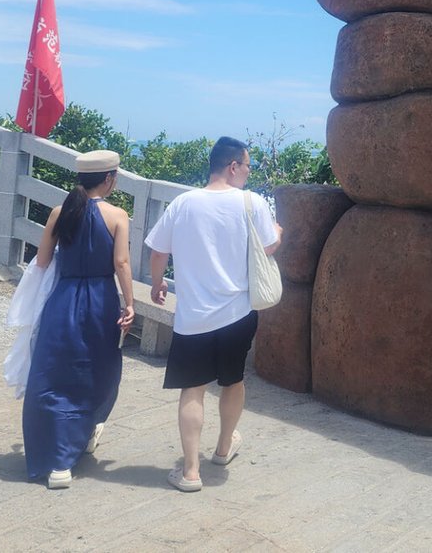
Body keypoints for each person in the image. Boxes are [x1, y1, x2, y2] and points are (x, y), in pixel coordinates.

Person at [145, 137, 280, 493]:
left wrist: (158, 284)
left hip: (194, 316)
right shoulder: (253, 202)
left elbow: (158, 252)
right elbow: (269, 246)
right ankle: (222, 448)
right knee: (233, 381)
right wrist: (279, 232)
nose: (248, 173)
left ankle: (190, 471)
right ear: (233, 166)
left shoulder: (183, 203)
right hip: (238, 312)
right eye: (247, 166)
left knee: (193, 388)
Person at [21, 149, 135, 489]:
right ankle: (75, 445)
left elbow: (42, 261)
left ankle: (58, 457)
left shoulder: (61, 212)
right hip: (100, 300)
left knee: (56, 372)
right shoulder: (118, 215)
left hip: (63, 298)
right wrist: (130, 303)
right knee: (98, 370)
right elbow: (122, 264)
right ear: (110, 178)